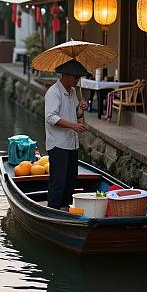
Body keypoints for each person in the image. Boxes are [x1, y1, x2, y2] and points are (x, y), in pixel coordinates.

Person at [45, 59, 89, 210]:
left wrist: (82, 108)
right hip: (58, 143)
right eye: (76, 77)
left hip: (71, 143)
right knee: (58, 182)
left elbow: (75, 114)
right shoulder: (53, 92)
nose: (77, 80)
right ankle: (53, 210)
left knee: (70, 181)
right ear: (66, 75)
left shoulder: (72, 91)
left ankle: (65, 207)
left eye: (78, 77)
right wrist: (73, 126)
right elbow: (50, 117)